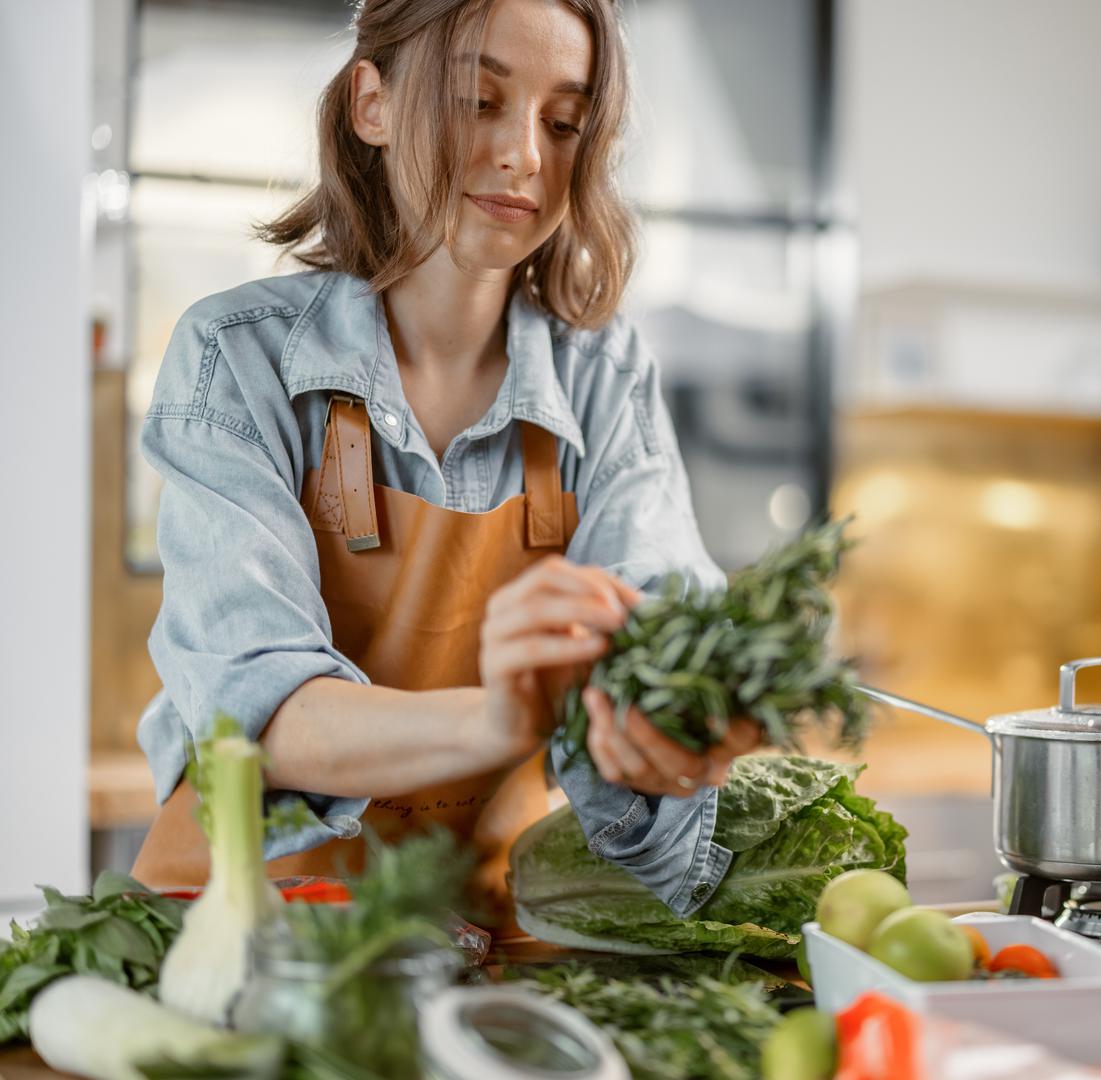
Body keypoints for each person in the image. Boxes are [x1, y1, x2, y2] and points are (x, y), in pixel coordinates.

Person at [130, 0, 760, 928]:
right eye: (478, 101)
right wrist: (504, 719)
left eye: (564, 123)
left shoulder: (604, 376)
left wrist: (684, 710)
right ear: (370, 106)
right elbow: (255, 708)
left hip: (483, 935)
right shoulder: (236, 358)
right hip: (251, 943)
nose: (525, 158)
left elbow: (661, 617)